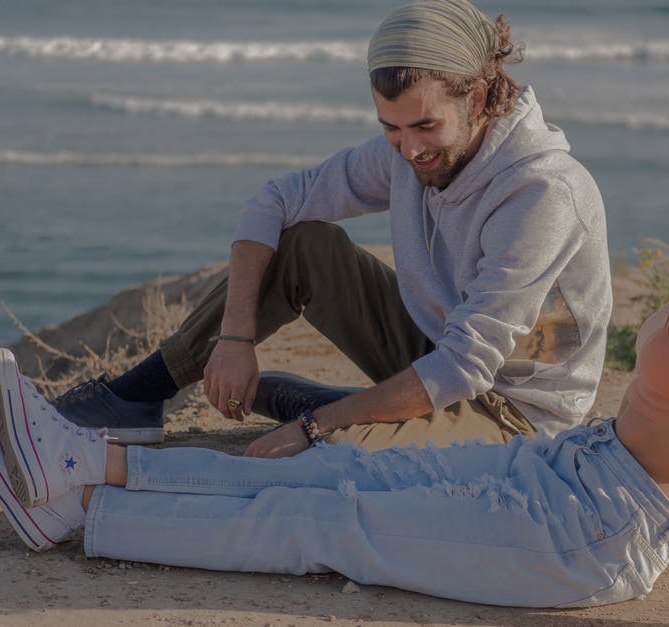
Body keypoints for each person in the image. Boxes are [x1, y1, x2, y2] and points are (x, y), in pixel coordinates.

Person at [0, 81, 669, 624]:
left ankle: (82, 511)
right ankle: (88, 458)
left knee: (330, 519)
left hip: (592, 531)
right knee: (323, 480)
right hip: (577, 469)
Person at [49, 0, 613, 456]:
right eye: (390, 128)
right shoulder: (410, 152)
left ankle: (329, 413)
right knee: (305, 245)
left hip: (512, 414)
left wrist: (315, 428)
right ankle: (133, 399)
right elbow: (274, 201)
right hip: (435, 352)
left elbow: (466, 367)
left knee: (316, 463)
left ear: (481, 96)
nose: (410, 149)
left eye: (425, 125)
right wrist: (236, 337)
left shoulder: (541, 193)